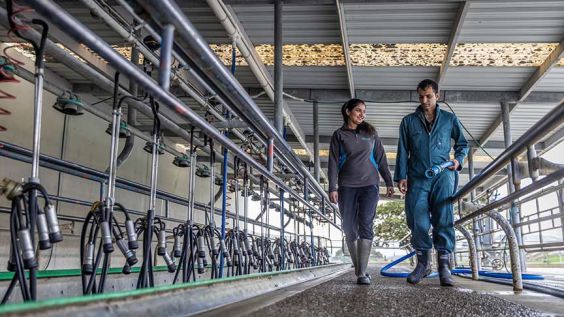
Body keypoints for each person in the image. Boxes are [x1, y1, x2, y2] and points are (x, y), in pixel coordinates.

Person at [394, 79, 468, 286]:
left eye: (429, 96)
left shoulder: (449, 119)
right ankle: (423, 264)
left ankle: (444, 266)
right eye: (421, 96)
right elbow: (403, 151)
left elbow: (463, 144)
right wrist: (401, 176)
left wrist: (458, 160)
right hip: (417, 176)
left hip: (443, 175)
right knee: (418, 219)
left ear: (437, 95)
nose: (425, 100)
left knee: (443, 217)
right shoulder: (408, 121)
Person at [328, 98, 394, 285]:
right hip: (347, 186)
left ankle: (361, 273)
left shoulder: (370, 133)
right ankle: (359, 269)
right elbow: (333, 162)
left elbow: (381, 159)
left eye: (364, 111)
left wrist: (389, 182)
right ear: (348, 111)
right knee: (349, 227)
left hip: (370, 186)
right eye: (358, 110)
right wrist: (332, 187)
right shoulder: (339, 135)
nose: (362, 114)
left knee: (366, 223)